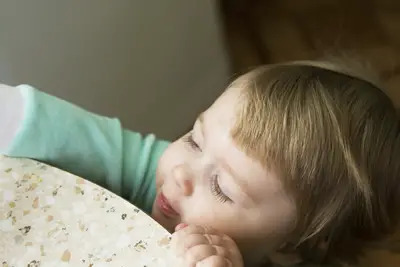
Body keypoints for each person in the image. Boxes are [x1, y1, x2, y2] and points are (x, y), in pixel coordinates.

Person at [1, 60, 399, 267]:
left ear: (293, 247)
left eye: (222, 188)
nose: (180, 173)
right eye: (194, 139)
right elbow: (55, 128)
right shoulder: (163, 175)